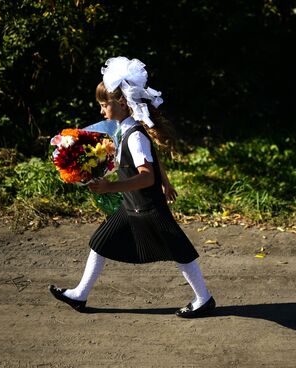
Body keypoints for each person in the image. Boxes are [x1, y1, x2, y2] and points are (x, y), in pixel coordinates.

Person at [49, 57, 215, 318]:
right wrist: (167, 182)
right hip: (131, 206)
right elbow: (152, 159)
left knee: (180, 252)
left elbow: (146, 176)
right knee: (100, 242)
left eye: (105, 105)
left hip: (147, 207)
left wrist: (110, 188)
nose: (102, 111)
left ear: (122, 103)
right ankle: (80, 294)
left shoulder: (134, 135)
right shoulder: (126, 131)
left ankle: (204, 299)